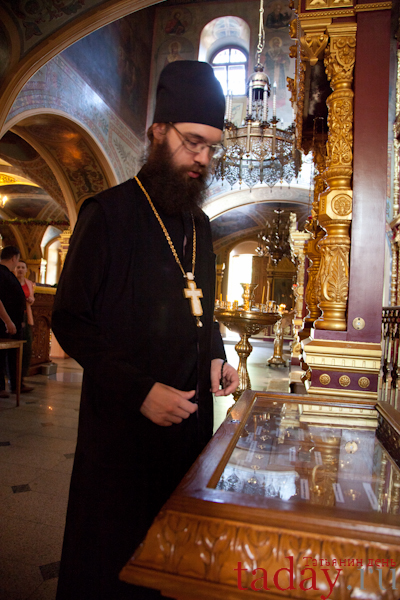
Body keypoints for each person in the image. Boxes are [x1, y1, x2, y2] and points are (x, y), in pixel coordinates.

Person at [52, 60, 239, 600]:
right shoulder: (108, 214)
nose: (202, 157)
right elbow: (70, 317)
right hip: (123, 427)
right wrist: (140, 392)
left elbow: (200, 310)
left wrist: (215, 356)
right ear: (159, 131)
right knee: (116, 557)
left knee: (170, 557)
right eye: (193, 141)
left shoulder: (201, 227)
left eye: (211, 147)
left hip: (187, 428)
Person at [0, 246, 26, 398]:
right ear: (14, 258)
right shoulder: (2, 274)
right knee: (1, 356)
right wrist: (8, 321)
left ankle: (16, 385)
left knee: (13, 355)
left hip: (13, 323)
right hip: (4, 324)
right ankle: (1, 386)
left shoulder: (8, 274)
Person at [15, 259, 35, 392]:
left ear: (26, 270)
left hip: (26, 316)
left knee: (27, 347)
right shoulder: (11, 282)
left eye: (23, 267)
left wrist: (31, 300)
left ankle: (21, 379)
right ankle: (13, 380)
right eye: (18, 267)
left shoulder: (29, 283)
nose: (21, 270)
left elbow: (31, 298)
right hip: (14, 317)